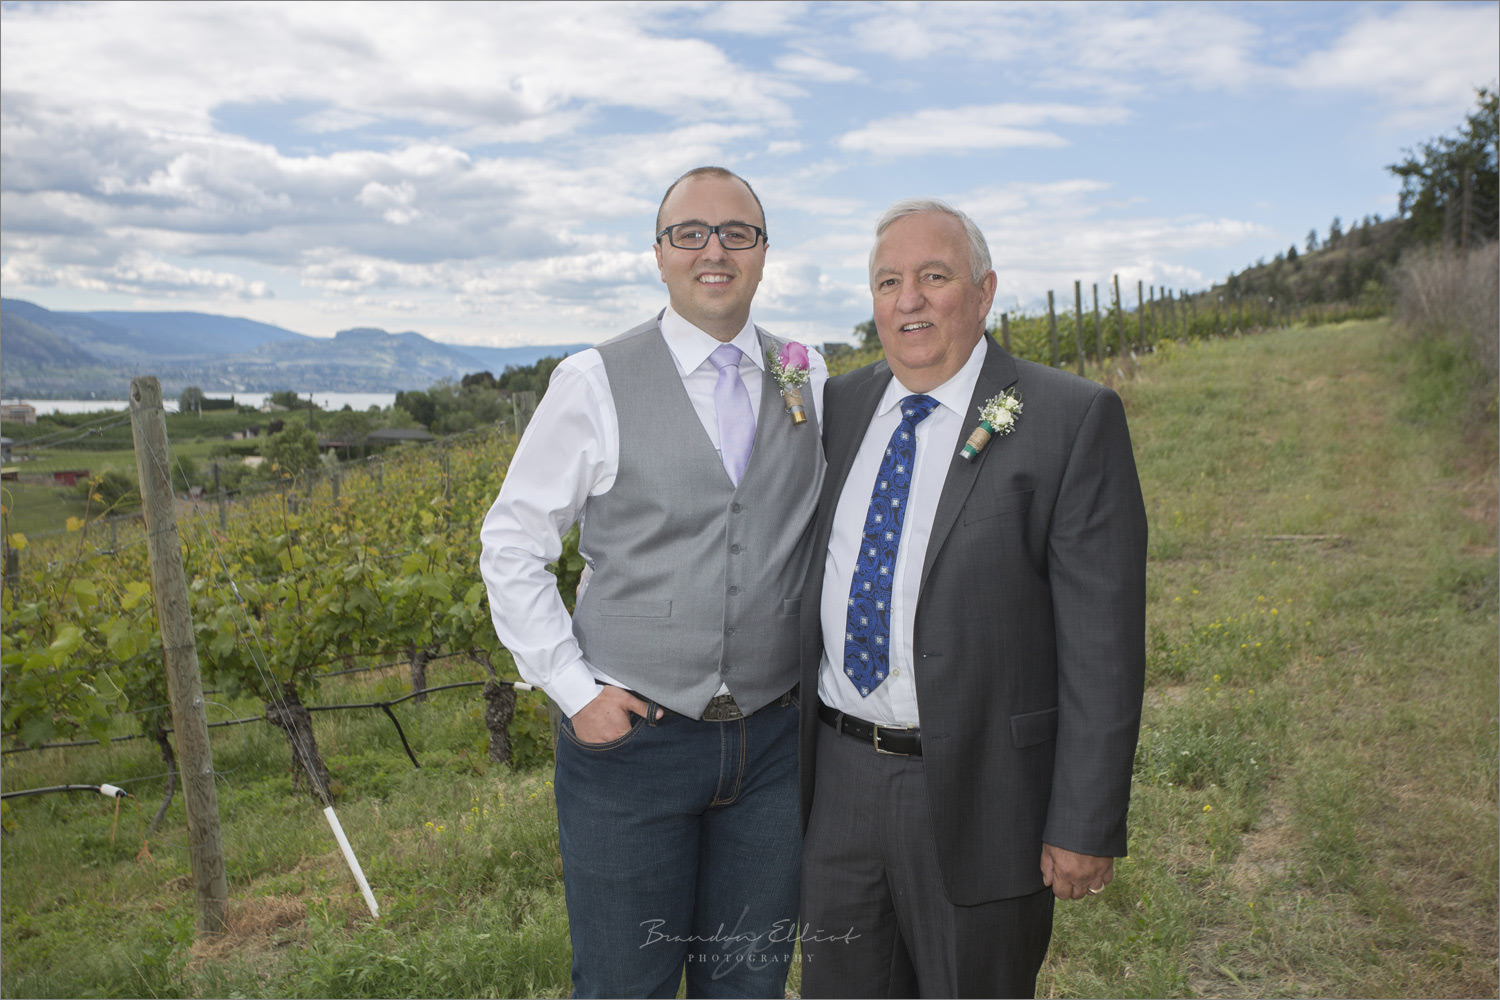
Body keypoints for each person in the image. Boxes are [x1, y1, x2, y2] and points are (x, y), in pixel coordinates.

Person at [479, 166, 826, 999]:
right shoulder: (594, 380)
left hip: (774, 746)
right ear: (660, 254)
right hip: (634, 745)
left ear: (764, 251)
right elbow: (512, 543)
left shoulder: (806, 373)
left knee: (749, 984)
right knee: (623, 983)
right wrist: (575, 693)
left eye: (737, 232)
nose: (714, 250)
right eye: (690, 233)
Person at [797, 198, 1147, 998]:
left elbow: (1103, 645)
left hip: (985, 793)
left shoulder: (1068, 418)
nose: (909, 300)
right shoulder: (840, 408)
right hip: (840, 785)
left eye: (934, 276)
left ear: (984, 292)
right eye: (889, 281)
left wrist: (1084, 818)